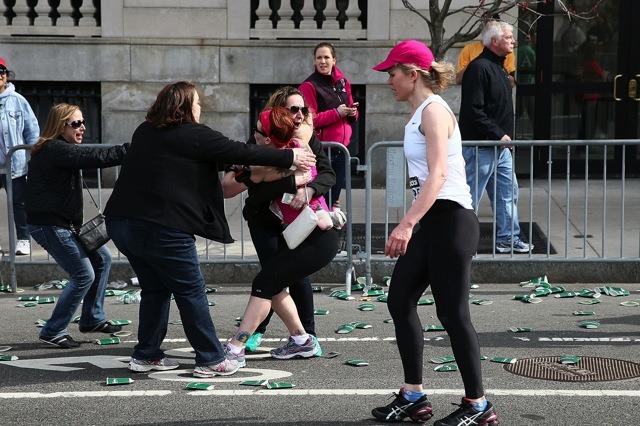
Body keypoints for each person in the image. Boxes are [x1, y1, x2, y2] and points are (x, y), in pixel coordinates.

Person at [104, 81, 315, 378]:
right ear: (185, 107)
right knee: (191, 292)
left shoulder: (146, 130)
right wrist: (289, 157)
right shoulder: (194, 135)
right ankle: (210, 359)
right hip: (162, 228)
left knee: (155, 289)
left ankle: (146, 354)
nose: (200, 107)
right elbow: (240, 151)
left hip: (121, 223)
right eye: (197, 102)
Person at [370, 40, 498, 425]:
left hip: (452, 221)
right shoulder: (420, 113)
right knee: (399, 300)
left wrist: (406, 223)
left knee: (453, 314)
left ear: (413, 73)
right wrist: (415, 222)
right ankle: (413, 396)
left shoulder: (434, 111)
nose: (388, 80)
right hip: (433, 223)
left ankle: (478, 406)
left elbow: (439, 174)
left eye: (392, 73)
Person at [222, 86, 339, 354]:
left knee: (280, 279)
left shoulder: (305, 142)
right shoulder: (259, 145)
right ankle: (290, 337)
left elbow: (327, 173)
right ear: (278, 113)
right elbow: (238, 188)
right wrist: (288, 178)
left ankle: (304, 336)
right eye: (293, 109)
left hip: (310, 225)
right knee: (271, 278)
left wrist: (308, 188)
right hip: (265, 220)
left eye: (303, 110)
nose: (299, 115)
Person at [25, 103, 127, 348]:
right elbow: (97, 157)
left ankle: (92, 318)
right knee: (83, 274)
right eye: (76, 123)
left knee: (102, 259)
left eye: (83, 122)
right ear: (61, 127)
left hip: (65, 224)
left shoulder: (61, 148)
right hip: (50, 225)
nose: (82, 128)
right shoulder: (55, 149)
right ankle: (53, 330)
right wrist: (134, 149)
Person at [459, 20, 534, 254]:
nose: (513, 40)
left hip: (500, 147)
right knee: (469, 198)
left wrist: (504, 140)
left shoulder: (501, 68)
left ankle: (508, 238)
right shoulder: (479, 68)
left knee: (507, 194)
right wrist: (498, 134)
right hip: (481, 147)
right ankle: (459, 241)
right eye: (508, 36)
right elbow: (473, 111)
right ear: (494, 41)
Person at [299, 42, 358, 210]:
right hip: (323, 150)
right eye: (319, 57)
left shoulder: (343, 82)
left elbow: (351, 107)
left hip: (342, 148)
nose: (322, 61)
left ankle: (332, 230)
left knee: (335, 197)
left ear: (334, 60)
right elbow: (309, 120)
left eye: (326, 57)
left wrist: (353, 113)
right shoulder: (309, 86)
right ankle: (321, 230)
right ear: (314, 61)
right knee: (322, 196)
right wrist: (337, 113)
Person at [0, 57, 40, 255]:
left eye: (1, 72)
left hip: (13, 164)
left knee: (19, 202)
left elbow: (32, 132)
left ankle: (24, 239)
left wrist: (34, 159)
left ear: (6, 76)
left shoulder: (18, 101)